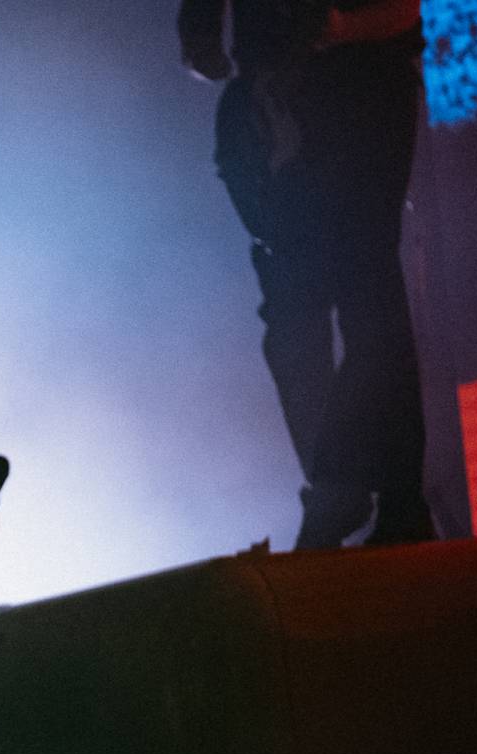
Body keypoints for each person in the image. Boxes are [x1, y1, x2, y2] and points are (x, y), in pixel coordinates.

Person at [179, 0, 436, 548]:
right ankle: (375, 497)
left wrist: (343, 28)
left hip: (355, 91)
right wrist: (201, 29)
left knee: (364, 301)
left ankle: (365, 494)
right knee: (315, 318)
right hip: (278, 100)